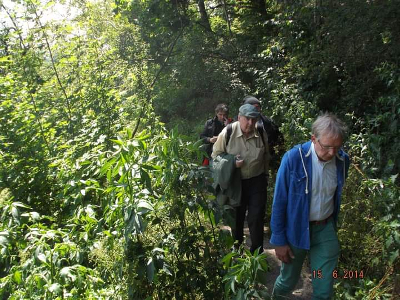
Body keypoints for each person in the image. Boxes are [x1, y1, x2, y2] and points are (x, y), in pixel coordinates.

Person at [270, 113, 350, 299]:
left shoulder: (342, 160)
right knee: (288, 280)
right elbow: (279, 201)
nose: (332, 153)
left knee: (323, 285)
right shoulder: (293, 159)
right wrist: (279, 240)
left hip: (325, 230)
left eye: (337, 147)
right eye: (327, 147)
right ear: (313, 139)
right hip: (295, 230)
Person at [212, 104, 270, 253]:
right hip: (236, 182)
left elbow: (265, 157)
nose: (250, 123)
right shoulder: (228, 132)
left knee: (256, 217)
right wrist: (232, 162)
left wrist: (265, 176)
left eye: (254, 119)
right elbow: (216, 156)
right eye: (247, 119)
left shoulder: (261, 132)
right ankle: (237, 248)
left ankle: (257, 254)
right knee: (237, 218)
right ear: (239, 118)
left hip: (257, 181)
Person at [242, 95, 285, 171]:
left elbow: (278, 139)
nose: (255, 109)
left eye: (257, 107)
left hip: (265, 163)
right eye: (252, 107)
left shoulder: (267, 122)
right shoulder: (237, 124)